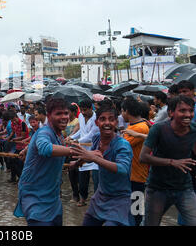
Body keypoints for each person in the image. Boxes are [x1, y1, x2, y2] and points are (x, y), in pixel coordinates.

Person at [71, 104, 134, 226]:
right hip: (101, 195)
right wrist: (78, 162)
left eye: (111, 119)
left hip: (119, 199)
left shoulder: (122, 145)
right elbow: (94, 155)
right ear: (96, 122)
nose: (107, 123)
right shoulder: (96, 138)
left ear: (116, 122)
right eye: (103, 119)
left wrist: (94, 158)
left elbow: (122, 169)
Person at [14, 98, 73, 226]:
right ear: (49, 116)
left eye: (66, 113)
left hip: (53, 196)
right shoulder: (45, 132)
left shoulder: (59, 135)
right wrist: (73, 151)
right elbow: (45, 148)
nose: (64, 117)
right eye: (58, 114)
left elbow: (38, 142)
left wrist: (27, 149)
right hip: (35, 196)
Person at [139, 95, 196, 226]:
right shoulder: (159, 129)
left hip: (184, 187)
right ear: (171, 112)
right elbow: (143, 157)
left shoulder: (194, 130)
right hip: (158, 188)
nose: (188, 114)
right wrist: (172, 162)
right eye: (182, 110)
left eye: (190, 110)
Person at [120, 98, 149, 226]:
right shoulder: (133, 126)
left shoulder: (140, 128)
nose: (121, 115)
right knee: (131, 211)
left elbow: (122, 146)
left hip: (137, 177)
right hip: (130, 175)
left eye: (122, 111)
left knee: (136, 212)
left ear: (126, 111)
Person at [65, 99, 100, 207]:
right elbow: (81, 131)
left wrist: (77, 141)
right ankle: (83, 198)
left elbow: (91, 135)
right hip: (82, 150)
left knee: (96, 178)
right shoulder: (81, 116)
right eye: (82, 110)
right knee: (82, 176)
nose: (83, 113)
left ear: (90, 108)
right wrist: (71, 137)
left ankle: (97, 201)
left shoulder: (96, 118)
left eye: (85, 110)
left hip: (93, 150)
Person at [63, 104, 81, 203]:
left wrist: (70, 137)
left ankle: (80, 194)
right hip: (69, 150)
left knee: (77, 173)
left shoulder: (77, 121)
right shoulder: (67, 122)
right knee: (71, 174)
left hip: (77, 150)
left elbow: (77, 134)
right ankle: (75, 194)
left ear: (73, 112)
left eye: (68, 112)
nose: (66, 114)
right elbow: (64, 134)